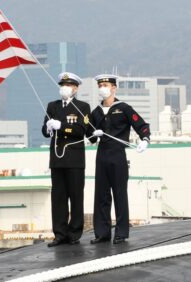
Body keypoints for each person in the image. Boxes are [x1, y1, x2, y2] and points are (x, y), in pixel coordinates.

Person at [89, 74, 151, 244]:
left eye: (105, 84)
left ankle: (121, 233)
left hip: (118, 155)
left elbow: (142, 125)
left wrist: (145, 140)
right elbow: (91, 138)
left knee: (119, 194)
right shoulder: (96, 112)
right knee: (101, 195)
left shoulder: (123, 108)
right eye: (100, 85)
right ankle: (102, 233)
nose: (102, 87)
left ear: (114, 88)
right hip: (101, 155)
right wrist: (92, 133)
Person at [41, 72, 91, 247]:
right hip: (57, 159)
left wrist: (62, 126)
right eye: (62, 85)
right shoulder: (52, 106)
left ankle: (74, 233)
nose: (64, 88)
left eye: (68, 85)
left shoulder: (82, 107)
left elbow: (81, 130)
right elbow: (44, 130)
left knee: (76, 196)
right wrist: (48, 128)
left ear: (76, 89)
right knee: (59, 198)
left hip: (75, 158)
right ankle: (60, 233)